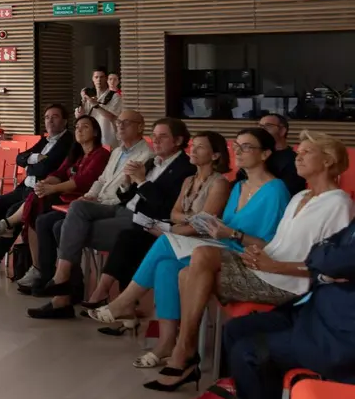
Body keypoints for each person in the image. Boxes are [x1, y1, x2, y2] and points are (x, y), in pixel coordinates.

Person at [148, 132, 353, 392]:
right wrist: (259, 255)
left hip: (291, 284)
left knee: (198, 259)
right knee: (186, 273)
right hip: (267, 270)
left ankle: (184, 352)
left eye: (306, 153)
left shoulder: (338, 204)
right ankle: (188, 353)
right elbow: (279, 246)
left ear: (327, 161)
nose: (297, 157)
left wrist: (273, 265)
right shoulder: (300, 197)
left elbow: (334, 269)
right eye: (298, 152)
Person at [86, 127, 291, 367]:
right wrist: (218, 229)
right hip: (218, 247)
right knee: (165, 266)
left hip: (244, 257)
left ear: (265, 154)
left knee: (163, 241)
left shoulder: (275, 190)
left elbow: (270, 244)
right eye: (236, 146)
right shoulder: (239, 186)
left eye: (246, 147)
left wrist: (230, 232)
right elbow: (211, 223)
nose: (238, 151)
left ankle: (125, 302)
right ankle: (166, 343)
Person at [25, 118, 195, 319]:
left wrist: (140, 181)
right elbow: (125, 193)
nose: (156, 141)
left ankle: (63, 291)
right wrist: (126, 184)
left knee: (62, 228)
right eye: (155, 136)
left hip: (143, 220)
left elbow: (164, 207)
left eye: (163, 136)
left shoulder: (185, 168)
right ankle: (63, 283)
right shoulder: (152, 162)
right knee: (76, 208)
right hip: (122, 208)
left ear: (178, 140)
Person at [84, 131, 232, 332]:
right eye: (193, 145)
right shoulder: (189, 180)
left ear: (215, 155)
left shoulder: (219, 183)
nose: (193, 150)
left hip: (201, 242)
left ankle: (121, 302)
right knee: (132, 238)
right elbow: (175, 213)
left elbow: (205, 223)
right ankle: (129, 310)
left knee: (141, 240)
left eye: (200, 147)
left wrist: (176, 228)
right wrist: (180, 224)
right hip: (179, 233)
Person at [223, 216, 355, 399]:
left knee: (247, 353)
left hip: (337, 336)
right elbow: (318, 251)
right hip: (312, 311)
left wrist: (328, 262)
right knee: (235, 329)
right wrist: (328, 264)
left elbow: (333, 260)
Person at [23, 110, 152, 296]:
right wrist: (90, 195)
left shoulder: (145, 155)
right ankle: (68, 290)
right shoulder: (116, 152)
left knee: (73, 211)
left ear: (140, 127)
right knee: (57, 224)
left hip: (116, 205)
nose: (120, 126)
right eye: (119, 123)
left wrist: (84, 197)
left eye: (127, 123)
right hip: (99, 202)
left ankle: (62, 280)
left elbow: (129, 192)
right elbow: (100, 180)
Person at [0, 116, 109, 276]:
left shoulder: (100, 154)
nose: (79, 130)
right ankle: (34, 265)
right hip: (65, 195)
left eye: (85, 127)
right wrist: (46, 184)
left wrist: (52, 188)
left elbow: (83, 181)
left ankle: (11, 230)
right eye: (77, 127)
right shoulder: (77, 154)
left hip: (82, 200)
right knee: (36, 204)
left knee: (36, 201)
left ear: (96, 132)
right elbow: (59, 172)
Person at [0, 105, 73, 278]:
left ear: (64, 121)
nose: (50, 120)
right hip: (25, 187)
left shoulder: (68, 142)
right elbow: (20, 158)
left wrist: (31, 164)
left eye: (55, 117)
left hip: (43, 192)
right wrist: (33, 159)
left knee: (13, 212)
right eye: (47, 117)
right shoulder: (44, 140)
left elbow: (46, 167)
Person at [237, 113, 305, 198]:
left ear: (282, 131)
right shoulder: (254, 154)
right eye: (260, 126)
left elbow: (289, 193)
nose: (262, 130)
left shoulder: (293, 160)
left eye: (267, 126)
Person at [77, 68, 123, 148]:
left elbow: (112, 117)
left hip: (108, 140)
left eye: (101, 77)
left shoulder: (114, 96)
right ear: (92, 79)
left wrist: (96, 105)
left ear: (106, 79)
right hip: (90, 141)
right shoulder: (89, 96)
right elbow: (80, 117)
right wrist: (83, 100)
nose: (99, 80)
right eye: (96, 77)